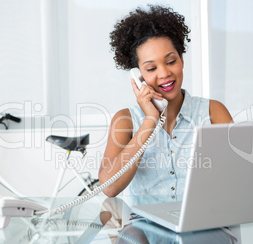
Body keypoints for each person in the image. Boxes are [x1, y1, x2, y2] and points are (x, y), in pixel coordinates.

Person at [98, 5, 233, 199]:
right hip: (146, 228)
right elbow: (109, 188)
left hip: (204, 224)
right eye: (151, 68)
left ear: (182, 60)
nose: (164, 73)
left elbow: (239, 178)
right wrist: (150, 121)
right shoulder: (125, 120)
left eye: (171, 62)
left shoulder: (213, 111)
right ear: (138, 76)